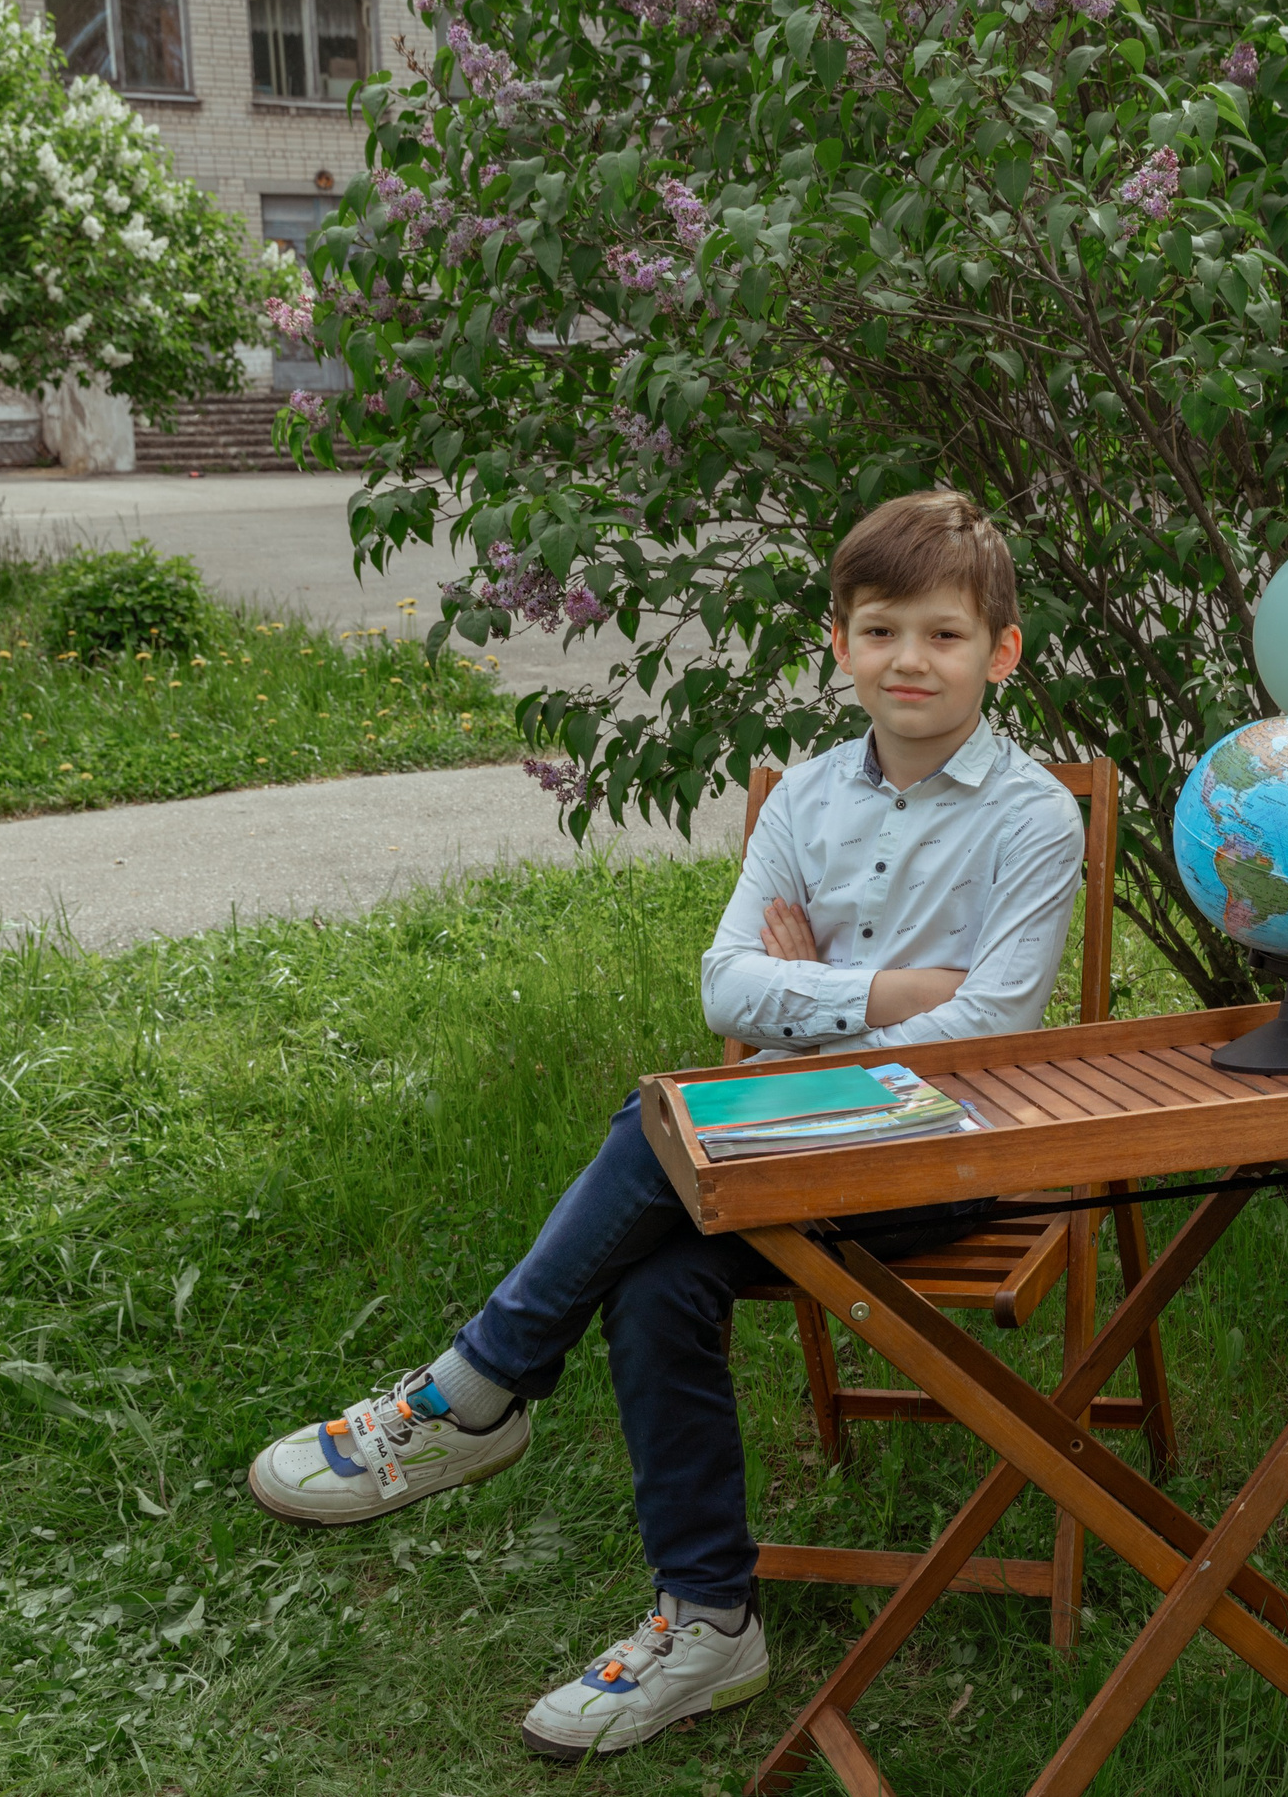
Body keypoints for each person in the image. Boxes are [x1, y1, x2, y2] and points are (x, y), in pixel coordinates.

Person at [244, 491, 1085, 1759]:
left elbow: (989, 1035)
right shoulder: (805, 797)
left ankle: (467, 1394)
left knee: (664, 1125)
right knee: (656, 1280)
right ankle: (709, 1623)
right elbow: (724, 988)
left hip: (946, 1159)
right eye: (880, 630)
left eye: (944, 634)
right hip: (795, 1148)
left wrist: (811, 1016)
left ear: (1000, 651)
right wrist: (888, 997)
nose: (910, 660)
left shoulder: (1032, 817)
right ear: (840, 641)